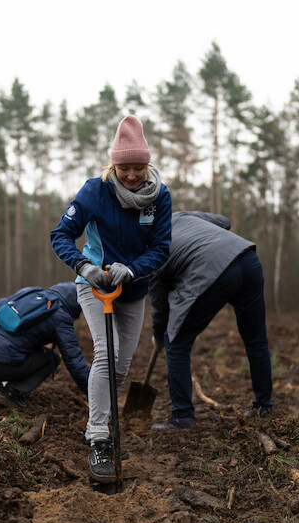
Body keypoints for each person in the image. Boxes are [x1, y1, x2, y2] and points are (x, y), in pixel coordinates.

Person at [51, 114, 172, 481]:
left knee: (121, 365)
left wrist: (133, 269)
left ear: (147, 164)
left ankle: (100, 420)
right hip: (94, 283)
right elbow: (61, 235)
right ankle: (99, 436)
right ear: (113, 164)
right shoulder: (94, 191)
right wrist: (83, 267)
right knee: (108, 353)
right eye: (124, 168)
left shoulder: (159, 196)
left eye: (138, 167)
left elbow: (162, 247)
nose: (132, 175)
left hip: (132, 288)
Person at [149, 211, 273, 431]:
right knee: (256, 339)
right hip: (247, 258)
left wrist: (159, 336)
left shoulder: (151, 248)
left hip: (212, 269)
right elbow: (225, 221)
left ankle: (182, 416)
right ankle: (264, 407)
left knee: (175, 341)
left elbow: (159, 304)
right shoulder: (181, 215)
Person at [0, 282, 90, 408]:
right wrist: (96, 393)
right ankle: (10, 394)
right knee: (51, 358)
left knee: (14, 343)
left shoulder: (30, 292)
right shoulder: (62, 318)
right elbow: (75, 363)